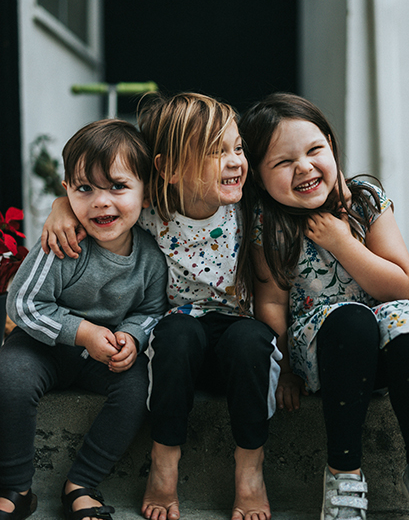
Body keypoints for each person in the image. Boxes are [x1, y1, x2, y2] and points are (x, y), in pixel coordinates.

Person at [40, 92, 282, 520]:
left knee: (251, 339)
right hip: (175, 350)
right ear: (168, 170)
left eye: (237, 148)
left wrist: (290, 371)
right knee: (177, 331)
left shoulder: (250, 211)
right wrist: (62, 208)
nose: (234, 161)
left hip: (238, 348)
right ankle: (164, 467)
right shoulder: (153, 211)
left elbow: (272, 297)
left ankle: (250, 472)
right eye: (215, 151)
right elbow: (103, 202)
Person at [237, 92, 409, 519]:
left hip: (387, 343)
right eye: (282, 162)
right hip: (325, 352)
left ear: (331, 145)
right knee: (350, 320)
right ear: (258, 176)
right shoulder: (266, 220)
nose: (305, 167)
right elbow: (272, 302)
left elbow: (402, 286)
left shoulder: (365, 198)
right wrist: (287, 373)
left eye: (315, 150)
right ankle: (344, 474)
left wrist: (341, 243)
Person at [0, 118, 169, 520]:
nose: (100, 201)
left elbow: (152, 310)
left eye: (118, 187)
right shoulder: (62, 243)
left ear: (146, 194)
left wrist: (132, 336)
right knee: (9, 376)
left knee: (137, 389)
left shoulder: (150, 256)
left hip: (104, 353)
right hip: (41, 347)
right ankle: (16, 486)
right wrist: (84, 332)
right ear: (67, 193)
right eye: (84, 188)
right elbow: (22, 304)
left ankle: (82, 484)